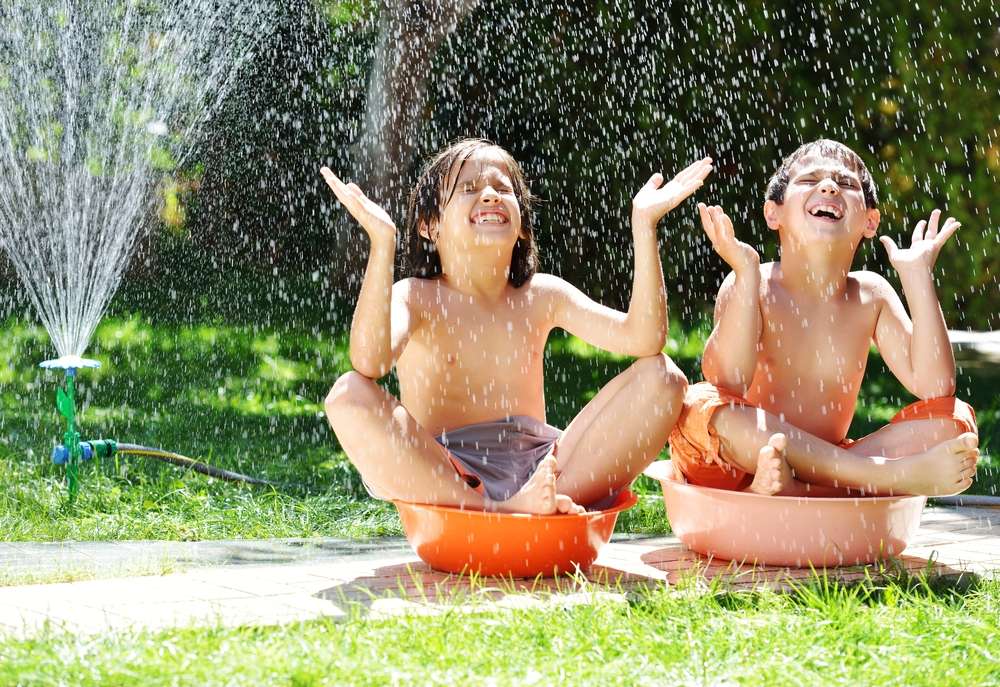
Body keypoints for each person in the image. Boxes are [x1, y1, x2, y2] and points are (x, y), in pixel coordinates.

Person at [324, 138, 711, 514]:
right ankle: (494, 509)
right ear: (429, 225)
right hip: (449, 477)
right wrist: (382, 243)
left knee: (664, 378)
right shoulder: (416, 297)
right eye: (469, 188)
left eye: (502, 188)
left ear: (523, 226)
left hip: (546, 470)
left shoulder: (540, 295)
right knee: (348, 395)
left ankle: (542, 502)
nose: (490, 195)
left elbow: (643, 338)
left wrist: (644, 225)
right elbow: (369, 362)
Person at [670, 139, 979, 497]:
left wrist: (918, 277)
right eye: (810, 179)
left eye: (846, 184)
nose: (830, 186)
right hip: (735, 463)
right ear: (774, 214)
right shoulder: (753, 282)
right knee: (701, 405)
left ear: (870, 221)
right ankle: (876, 478)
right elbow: (727, 379)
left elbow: (936, 388)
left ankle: (798, 489)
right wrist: (746, 271)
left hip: (824, 467)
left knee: (954, 422)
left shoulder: (870, 294)